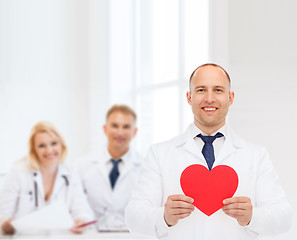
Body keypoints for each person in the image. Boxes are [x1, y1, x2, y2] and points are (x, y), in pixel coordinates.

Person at [125, 63, 293, 239]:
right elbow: (133, 217)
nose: (210, 98)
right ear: (189, 97)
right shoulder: (159, 154)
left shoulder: (256, 156)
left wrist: (252, 217)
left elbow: (284, 217)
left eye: (218, 90)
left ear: (231, 97)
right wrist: (164, 217)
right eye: (201, 90)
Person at [0, 121, 94, 235]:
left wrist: (81, 221)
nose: (49, 150)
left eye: (54, 143)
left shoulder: (71, 173)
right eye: (42, 146)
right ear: (34, 149)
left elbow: (82, 210)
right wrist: (5, 223)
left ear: (61, 145)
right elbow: (3, 214)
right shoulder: (18, 172)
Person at [76, 104, 142, 231]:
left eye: (126, 127)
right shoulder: (82, 166)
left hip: (131, 236)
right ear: (105, 129)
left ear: (135, 132)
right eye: (115, 126)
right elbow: (76, 204)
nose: (120, 132)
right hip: (92, 236)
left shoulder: (146, 167)